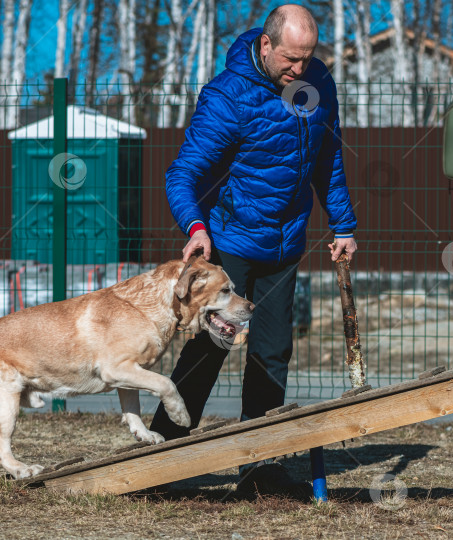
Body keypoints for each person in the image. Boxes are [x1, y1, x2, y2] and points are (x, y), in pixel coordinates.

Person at [151, 4, 357, 494]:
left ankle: (258, 464)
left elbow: (328, 159)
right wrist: (196, 226)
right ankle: (160, 452)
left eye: (307, 58)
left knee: (272, 351)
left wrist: (343, 224)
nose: (299, 70)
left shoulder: (318, 85)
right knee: (212, 345)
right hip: (233, 241)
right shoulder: (229, 96)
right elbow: (183, 173)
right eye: (290, 58)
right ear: (266, 46)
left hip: (286, 244)